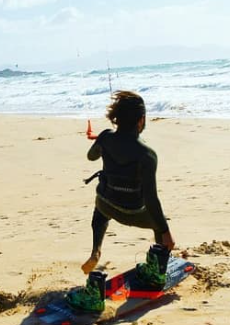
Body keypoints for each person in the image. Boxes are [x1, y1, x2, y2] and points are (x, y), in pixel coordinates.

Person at [67, 90, 175, 313]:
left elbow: (91, 157)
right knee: (157, 221)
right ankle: (156, 267)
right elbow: (151, 198)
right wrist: (165, 231)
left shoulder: (106, 137)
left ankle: (96, 250)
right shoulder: (147, 154)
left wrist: (102, 140)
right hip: (133, 211)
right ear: (141, 120)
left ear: (116, 118)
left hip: (107, 204)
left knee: (100, 208)